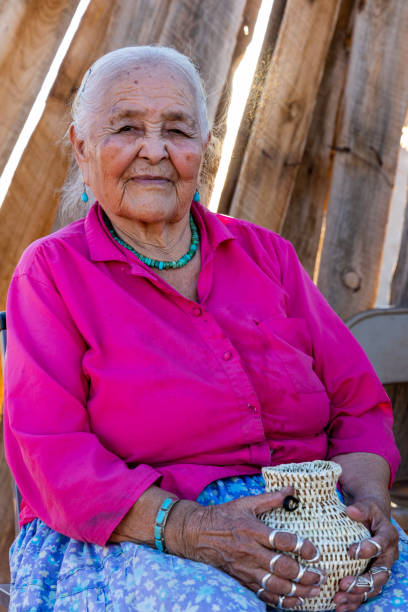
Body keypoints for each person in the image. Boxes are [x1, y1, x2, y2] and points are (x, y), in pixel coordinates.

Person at [3, 46, 407, 612]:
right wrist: (194, 528)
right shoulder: (51, 273)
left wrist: (368, 506)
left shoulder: (267, 255)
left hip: (319, 521)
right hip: (140, 533)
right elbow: (51, 454)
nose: (154, 150)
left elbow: (357, 403)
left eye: (177, 129)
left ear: (203, 148)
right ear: (81, 148)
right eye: (126, 128)